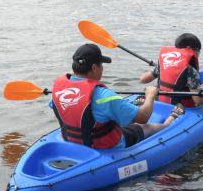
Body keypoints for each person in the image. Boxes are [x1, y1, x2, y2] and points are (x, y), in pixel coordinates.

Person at [50, 44, 184, 149]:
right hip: (106, 145)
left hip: (73, 141)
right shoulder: (104, 96)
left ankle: (129, 109)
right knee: (146, 127)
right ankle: (169, 121)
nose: (102, 69)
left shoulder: (57, 89)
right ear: (94, 67)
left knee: (108, 116)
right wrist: (150, 95)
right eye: (101, 65)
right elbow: (143, 117)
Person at [139, 33, 203, 108]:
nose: (198, 55)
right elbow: (198, 100)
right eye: (198, 51)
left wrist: (159, 69)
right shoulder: (190, 70)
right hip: (181, 107)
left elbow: (143, 79)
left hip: (162, 103)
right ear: (190, 49)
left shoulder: (164, 63)